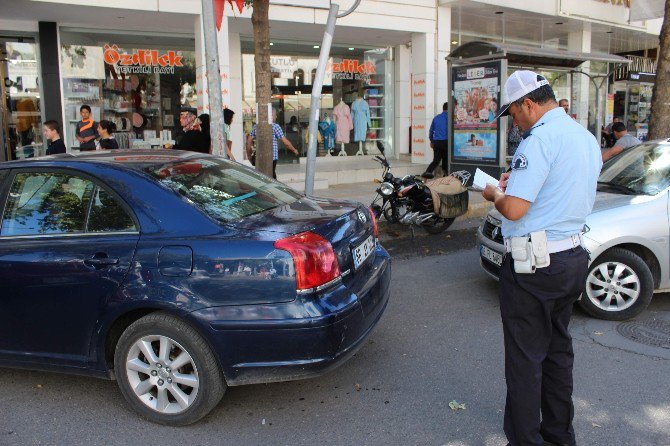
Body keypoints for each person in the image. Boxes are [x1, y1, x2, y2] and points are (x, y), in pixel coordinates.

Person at [482, 70, 602, 446]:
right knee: (557, 353)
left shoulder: (538, 142)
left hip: (534, 265)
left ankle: (526, 440)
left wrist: (494, 194)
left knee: (524, 362)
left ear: (528, 104)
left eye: (513, 114)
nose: (513, 122)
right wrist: (513, 185)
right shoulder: (584, 137)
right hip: (571, 257)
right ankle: (559, 435)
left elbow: (515, 210)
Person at [246, 109, 299, 179]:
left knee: (262, 177)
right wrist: (294, 150)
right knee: (272, 178)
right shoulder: (275, 126)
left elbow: (248, 142)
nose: (276, 117)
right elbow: (285, 142)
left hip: (259, 157)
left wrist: (249, 156)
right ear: (270, 116)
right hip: (271, 158)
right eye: (275, 115)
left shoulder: (256, 126)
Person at [423, 102, 449, 177]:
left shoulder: (436, 118)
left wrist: (432, 141)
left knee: (436, 160)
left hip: (436, 142)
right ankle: (446, 176)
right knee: (446, 161)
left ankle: (427, 172)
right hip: (446, 142)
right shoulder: (450, 118)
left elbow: (431, 131)